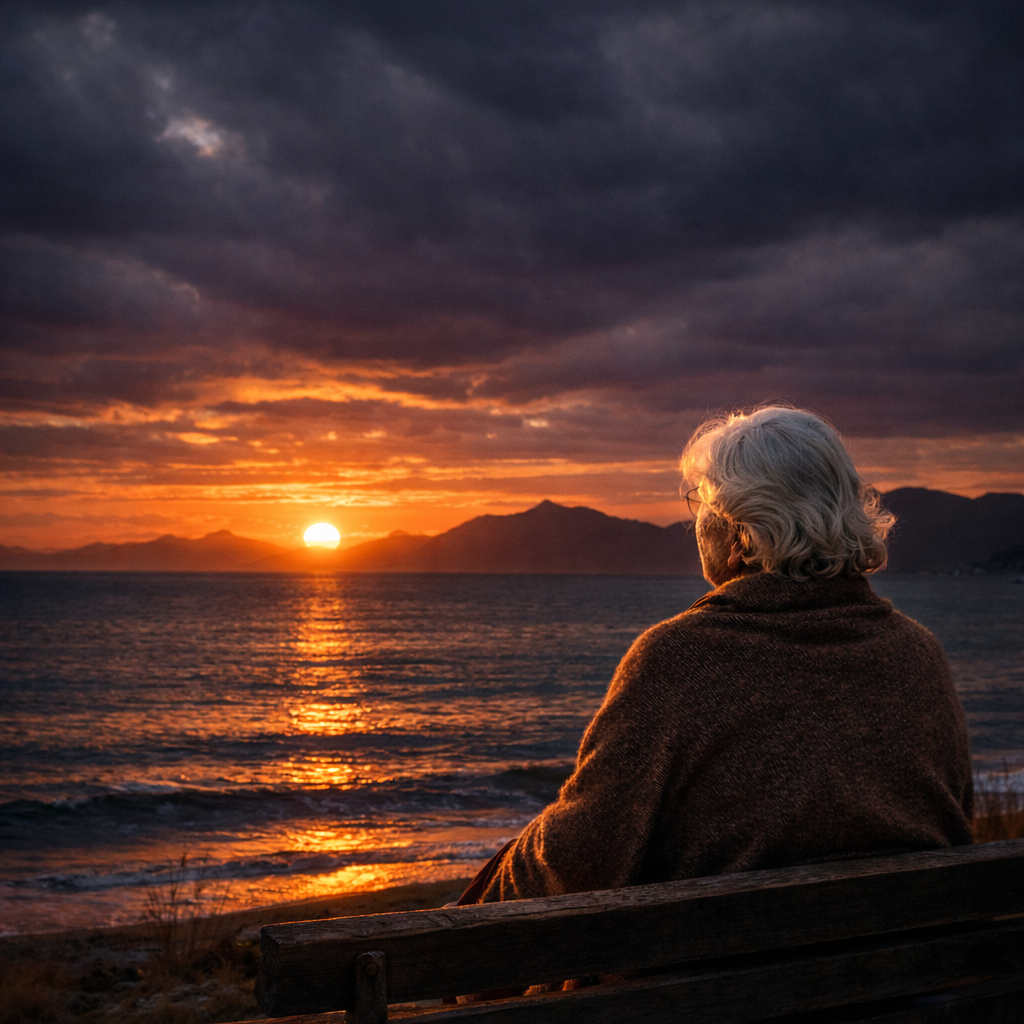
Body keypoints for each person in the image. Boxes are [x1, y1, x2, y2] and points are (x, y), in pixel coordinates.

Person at [461, 405, 973, 907]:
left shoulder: (679, 660)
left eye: (701, 504)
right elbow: (955, 820)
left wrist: (475, 908)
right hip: (907, 975)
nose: (697, 520)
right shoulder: (917, 655)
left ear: (741, 538)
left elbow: (582, 858)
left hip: (715, 987)